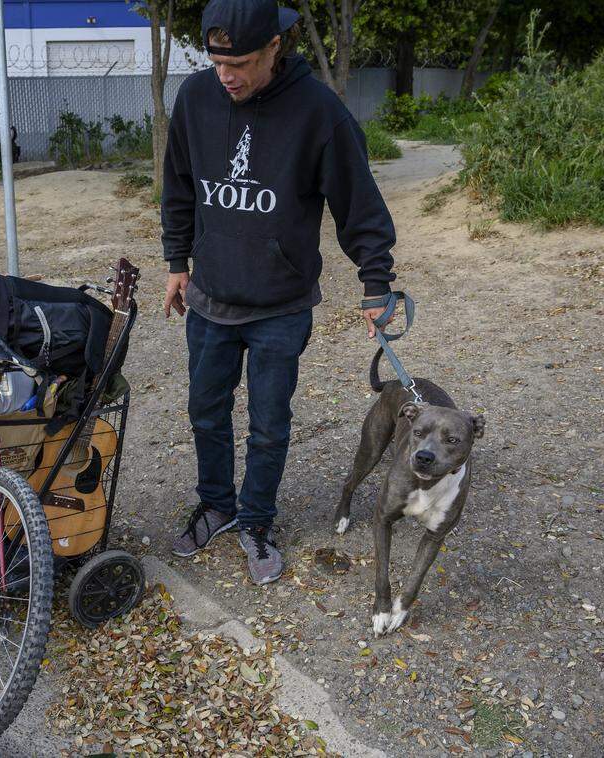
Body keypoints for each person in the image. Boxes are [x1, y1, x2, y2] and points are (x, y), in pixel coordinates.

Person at [163, 0, 398, 585]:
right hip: (210, 298)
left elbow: (358, 203)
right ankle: (216, 505)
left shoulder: (318, 111)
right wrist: (176, 262)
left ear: (274, 47)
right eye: (218, 63)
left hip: (280, 306)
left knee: (269, 425)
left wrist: (375, 282)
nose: (226, 76)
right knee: (205, 412)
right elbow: (179, 185)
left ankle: (256, 520)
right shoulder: (194, 98)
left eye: (240, 63)